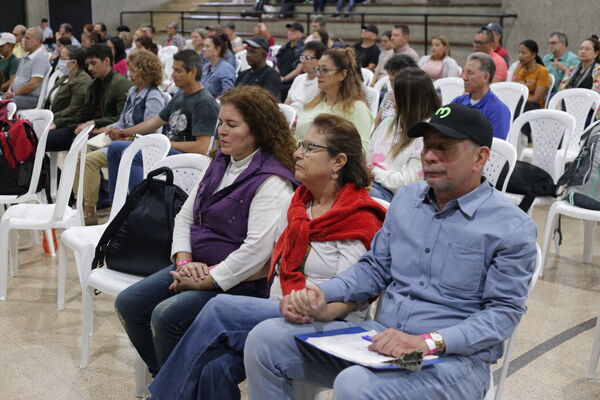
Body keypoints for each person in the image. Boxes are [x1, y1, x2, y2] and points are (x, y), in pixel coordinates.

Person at [244, 103, 538, 400]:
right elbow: (374, 268)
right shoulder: (408, 199)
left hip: (451, 361)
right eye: (427, 147)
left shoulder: (510, 226)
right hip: (380, 341)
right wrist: (324, 293)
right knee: (265, 340)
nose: (430, 157)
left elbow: (502, 313)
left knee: (355, 385)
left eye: (444, 148)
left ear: (480, 157)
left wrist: (428, 342)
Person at [147, 113, 387, 400]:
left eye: (311, 148)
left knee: (218, 308)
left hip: (332, 323)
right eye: (301, 144)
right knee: (214, 366)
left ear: (338, 162)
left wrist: (307, 307)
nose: (298, 153)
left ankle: (161, 397)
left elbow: (349, 295)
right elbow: (270, 262)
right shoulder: (301, 202)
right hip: (280, 307)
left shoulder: (357, 218)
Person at [114, 85, 299, 376]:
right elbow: (186, 215)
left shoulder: (273, 181)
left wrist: (205, 280)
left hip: (240, 281)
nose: (222, 131)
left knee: (166, 316)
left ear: (259, 130)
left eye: (232, 125)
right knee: (130, 303)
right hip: (195, 267)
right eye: (221, 123)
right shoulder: (221, 161)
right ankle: (169, 382)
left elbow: (256, 253)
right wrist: (185, 262)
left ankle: (176, 388)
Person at [106, 49, 219, 196]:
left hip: (186, 158)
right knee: (115, 148)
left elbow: (201, 147)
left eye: (177, 71)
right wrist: (123, 133)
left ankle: (138, 206)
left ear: (192, 72)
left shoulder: (204, 102)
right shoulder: (181, 96)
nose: (172, 75)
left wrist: (162, 145)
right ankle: (118, 205)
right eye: (173, 70)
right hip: (171, 150)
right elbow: (154, 122)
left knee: (133, 153)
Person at [74, 49, 165, 225]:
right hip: (121, 138)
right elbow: (122, 121)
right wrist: (107, 129)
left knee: (91, 161)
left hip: (138, 145)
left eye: (133, 70)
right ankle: (81, 203)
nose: (129, 74)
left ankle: (89, 211)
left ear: (144, 72)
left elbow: (150, 130)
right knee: (81, 150)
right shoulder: (133, 92)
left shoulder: (154, 96)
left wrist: (122, 135)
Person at [368, 67, 439, 201]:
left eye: (396, 92)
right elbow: (367, 161)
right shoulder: (387, 124)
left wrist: (373, 173)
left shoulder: (428, 133)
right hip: (372, 186)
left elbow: (409, 183)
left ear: (409, 99)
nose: (391, 98)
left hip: (399, 198)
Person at [45, 44, 132, 151]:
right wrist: (58, 123)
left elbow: (120, 119)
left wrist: (94, 123)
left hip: (108, 130)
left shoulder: (121, 85)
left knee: (77, 143)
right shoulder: (94, 84)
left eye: (93, 63)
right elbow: (82, 114)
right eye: (88, 64)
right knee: (46, 137)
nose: (90, 68)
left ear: (106, 61)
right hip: (88, 126)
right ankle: (45, 167)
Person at [295, 48, 373, 150]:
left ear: (342, 74)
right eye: (318, 68)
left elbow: (361, 151)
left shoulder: (357, 108)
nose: (318, 74)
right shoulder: (314, 102)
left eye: (325, 69)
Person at [452, 52, 511, 140]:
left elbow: (496, 148)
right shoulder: (458, 102)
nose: (464, 77)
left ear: (486, 77)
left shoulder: (498, 110)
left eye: (470, 73)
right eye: (464, 72)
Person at [45, 46, 93, 129]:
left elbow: (72, 109)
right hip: (53, 116)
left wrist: (51, 116)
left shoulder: (82, 81)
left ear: (73, 63)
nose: (59, 61)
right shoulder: (66, 76)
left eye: (62, 58)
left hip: (65, 123)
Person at [4, 27, 50, 110]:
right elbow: (15, 77)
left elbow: (34, 84)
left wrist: (14, 94)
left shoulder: (40, 58)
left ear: (37, 41)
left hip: (30, 98)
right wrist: (9, 90)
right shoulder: (26, 56)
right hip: (18, 95)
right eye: (24, 37)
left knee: (4, 105)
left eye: (27, 38)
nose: (23, 40)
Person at [373, 54, 417, 128]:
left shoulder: (412, 97)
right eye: (389, 74)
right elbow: (376, 123)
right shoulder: (389, 94)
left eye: (393, 74)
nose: (390, 78)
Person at [285, 41, 327, 113]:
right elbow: (287, 104)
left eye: (307, 58)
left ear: (320, 60)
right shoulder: (299, 78)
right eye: (302, 57)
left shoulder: (322, 82)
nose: (303, 61)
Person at [512, 39, 551, 110]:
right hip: (520, 102)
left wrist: (518, 99)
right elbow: (512, 88)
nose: (520, 56)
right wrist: (516, 71)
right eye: (519, 52)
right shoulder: (519, 69)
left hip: (535, 106)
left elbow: (536, 98)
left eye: (523, 53)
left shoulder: (542, 71)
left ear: (533, 55)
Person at [276, 22, 305, 101]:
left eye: (293, 31)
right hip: (279, 78)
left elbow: (298, 69)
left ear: (301, 34)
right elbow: (276, 63)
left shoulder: (302, 50)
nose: (290, 33)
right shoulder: (284, 48)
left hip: (292, 82)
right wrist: (278, 76)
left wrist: (284, 79)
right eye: (289, 30)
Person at [201, 33, 236, 98]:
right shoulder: (205, 66)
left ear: (217, 50)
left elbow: (227, 95)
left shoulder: (226, 69)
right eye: (203, 46)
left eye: (207, 46)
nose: (203, 49)